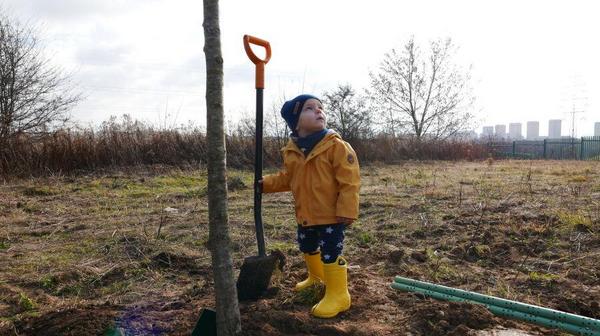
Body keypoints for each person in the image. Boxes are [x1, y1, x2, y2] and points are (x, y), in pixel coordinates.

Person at [260, 94, 360, 318]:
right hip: (305, 214)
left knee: (331, 253)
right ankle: (317, 279)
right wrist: (266, 184)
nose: (319, 111)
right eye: (309, 108)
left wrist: (347, 210)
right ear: (295, 122)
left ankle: (339, 294)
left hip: (331, 216)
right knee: (307, 246)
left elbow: (349, 181)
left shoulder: (337, 147)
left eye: (320, 107)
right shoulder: (292, 151)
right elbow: (288, 178)